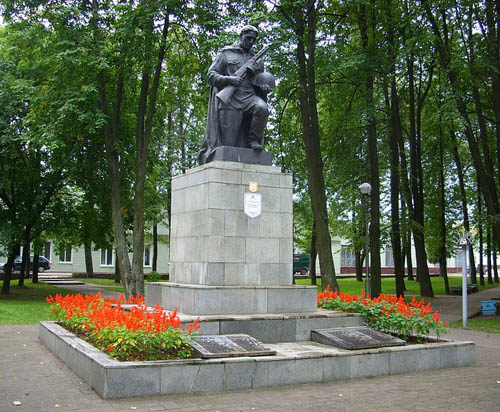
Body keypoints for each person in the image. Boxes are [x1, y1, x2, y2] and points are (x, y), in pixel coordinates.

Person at [198, 25, 274, 165]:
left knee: (262, 108)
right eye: (248, 38)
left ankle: (253, 140)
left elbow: (259, 81)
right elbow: (211, 75)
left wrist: (263, 87)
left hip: (249, 97)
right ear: (241, 36)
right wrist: (229, 79)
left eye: (253, 40)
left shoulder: (257, 59)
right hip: (230, 101)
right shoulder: (226, 53)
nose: (251, 42)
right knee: (228, 146)